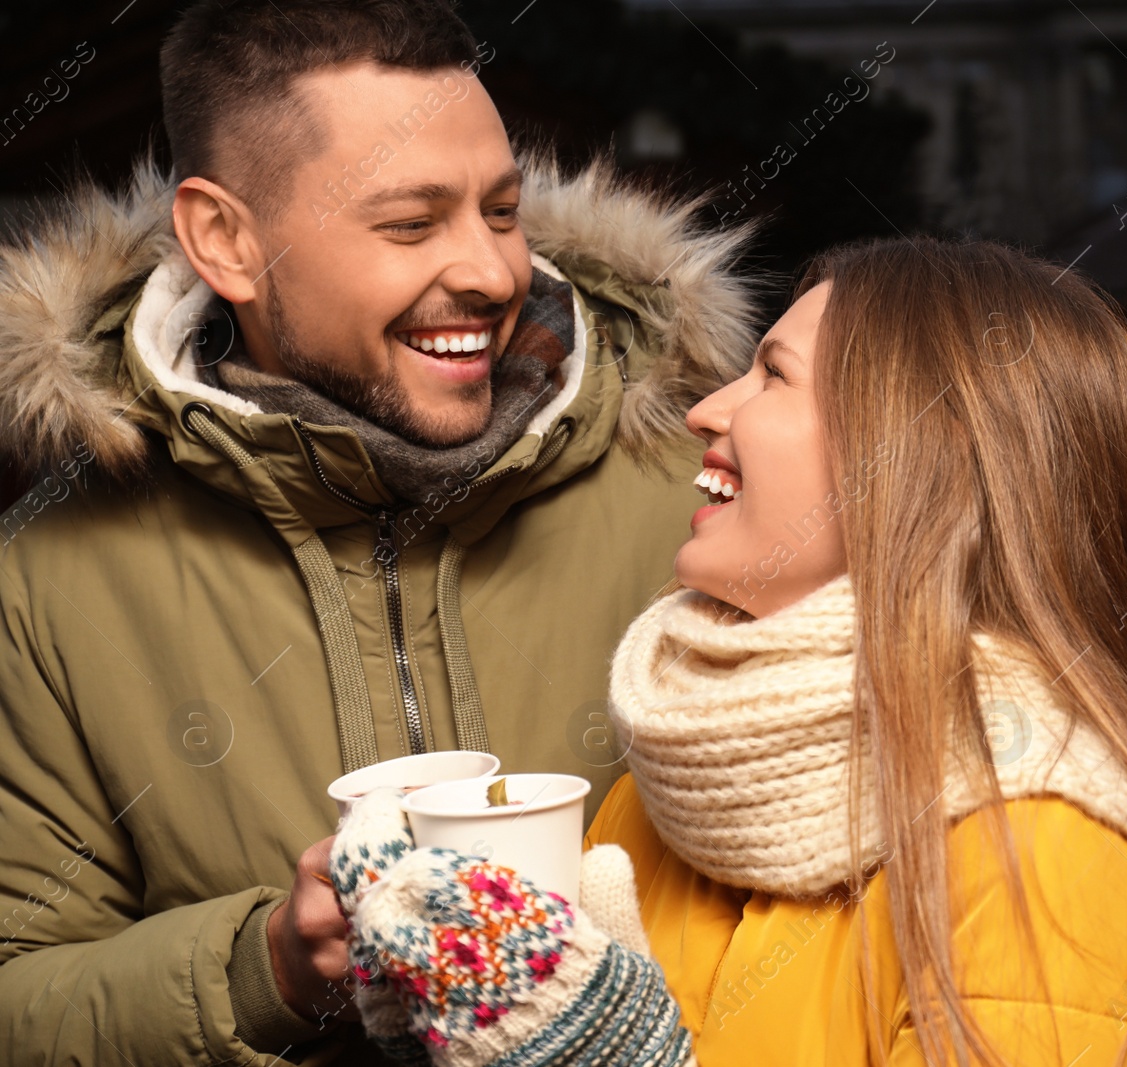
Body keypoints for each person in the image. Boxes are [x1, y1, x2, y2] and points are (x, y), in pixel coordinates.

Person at [0, 1, 755, 1063]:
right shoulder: (49, 576)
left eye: (501, 210)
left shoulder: (701, 503)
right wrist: (267, 965)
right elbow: (19, 996)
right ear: (225, 239)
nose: (493, 274)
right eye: (410, 223)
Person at [330, 237, 1127, 1065]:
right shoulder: (684, 770)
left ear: (915, 459)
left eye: (774, 374)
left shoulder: (1044, 848)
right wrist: (445, 1001)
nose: (708, 410)